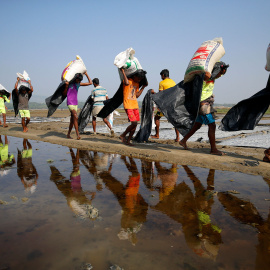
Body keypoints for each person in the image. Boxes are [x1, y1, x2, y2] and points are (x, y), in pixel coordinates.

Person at [180, 68, 227, 155]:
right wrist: (207, 74)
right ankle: (213, 149)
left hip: (203, 104)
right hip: (203, 105)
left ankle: (183, 140)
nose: (220, 75)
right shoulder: (207, 76)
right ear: (216, 70)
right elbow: (205, 76)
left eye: (222, 74)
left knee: (197, 125)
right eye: (220, 73)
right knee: (212, 126)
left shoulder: (213, 78)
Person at [119, 68, 147, 146]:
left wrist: (143, 87)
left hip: (135, 105)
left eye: (140, 79)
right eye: (138, 78)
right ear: (134, 76)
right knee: (134, 123)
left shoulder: (137, 84)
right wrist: (123, 72)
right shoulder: (127, 81)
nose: (139, 80)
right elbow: (127, 83)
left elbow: (137, 95)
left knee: (135, 125)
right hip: (128, 105)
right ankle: (123, 135)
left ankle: (128, 141)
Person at [151, 69, 180, 142]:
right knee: (174, 120)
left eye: (161, 76)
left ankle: (157, 135)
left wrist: (154, 93)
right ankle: (178, 137)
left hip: (165, 105)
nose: (161, 77)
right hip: (173, 104)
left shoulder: (162, 83)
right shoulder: (173, 82)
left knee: (157, 118)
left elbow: (161, 95)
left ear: (163, 75)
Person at [64, 72, 92, 140]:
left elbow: (90, 83)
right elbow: (64, 93)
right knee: (76, 117)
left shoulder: (78, 84)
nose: (79, 81)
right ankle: (78, 134)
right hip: (70, 103)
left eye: (80, 81)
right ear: (75, 78)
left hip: (75, 103)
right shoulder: (69, 83)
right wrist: (66, 86)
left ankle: (68, 134)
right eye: (78, 80)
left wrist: (86, 74)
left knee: (72, 120)